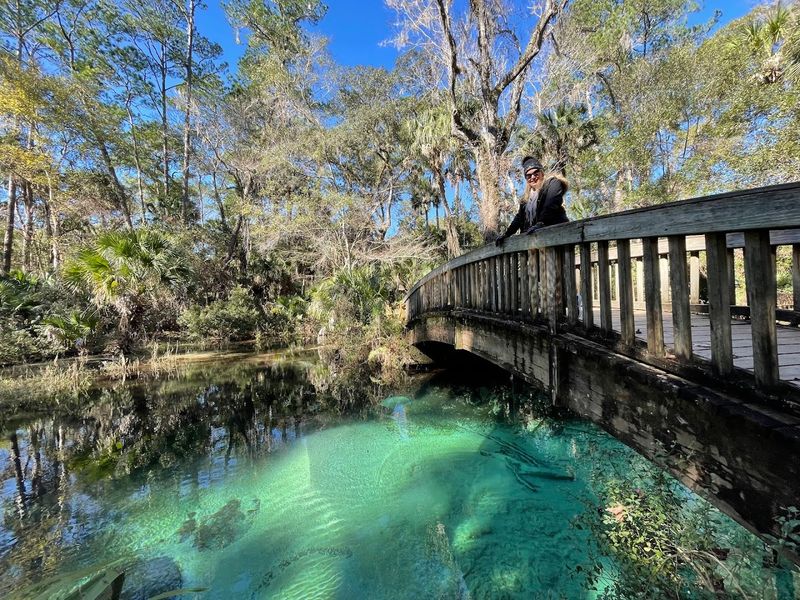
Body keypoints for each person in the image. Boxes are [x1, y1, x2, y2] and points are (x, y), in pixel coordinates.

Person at [495, 156, 569, 246]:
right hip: (535, 243)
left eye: (536, 173)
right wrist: (507, 234)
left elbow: (551, 204)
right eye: (528, 175)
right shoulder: (525, 198)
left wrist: (541, 223)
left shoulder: (553, 183)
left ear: (542, 172)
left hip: (556, 237)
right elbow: (519, 218)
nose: (533, 177)